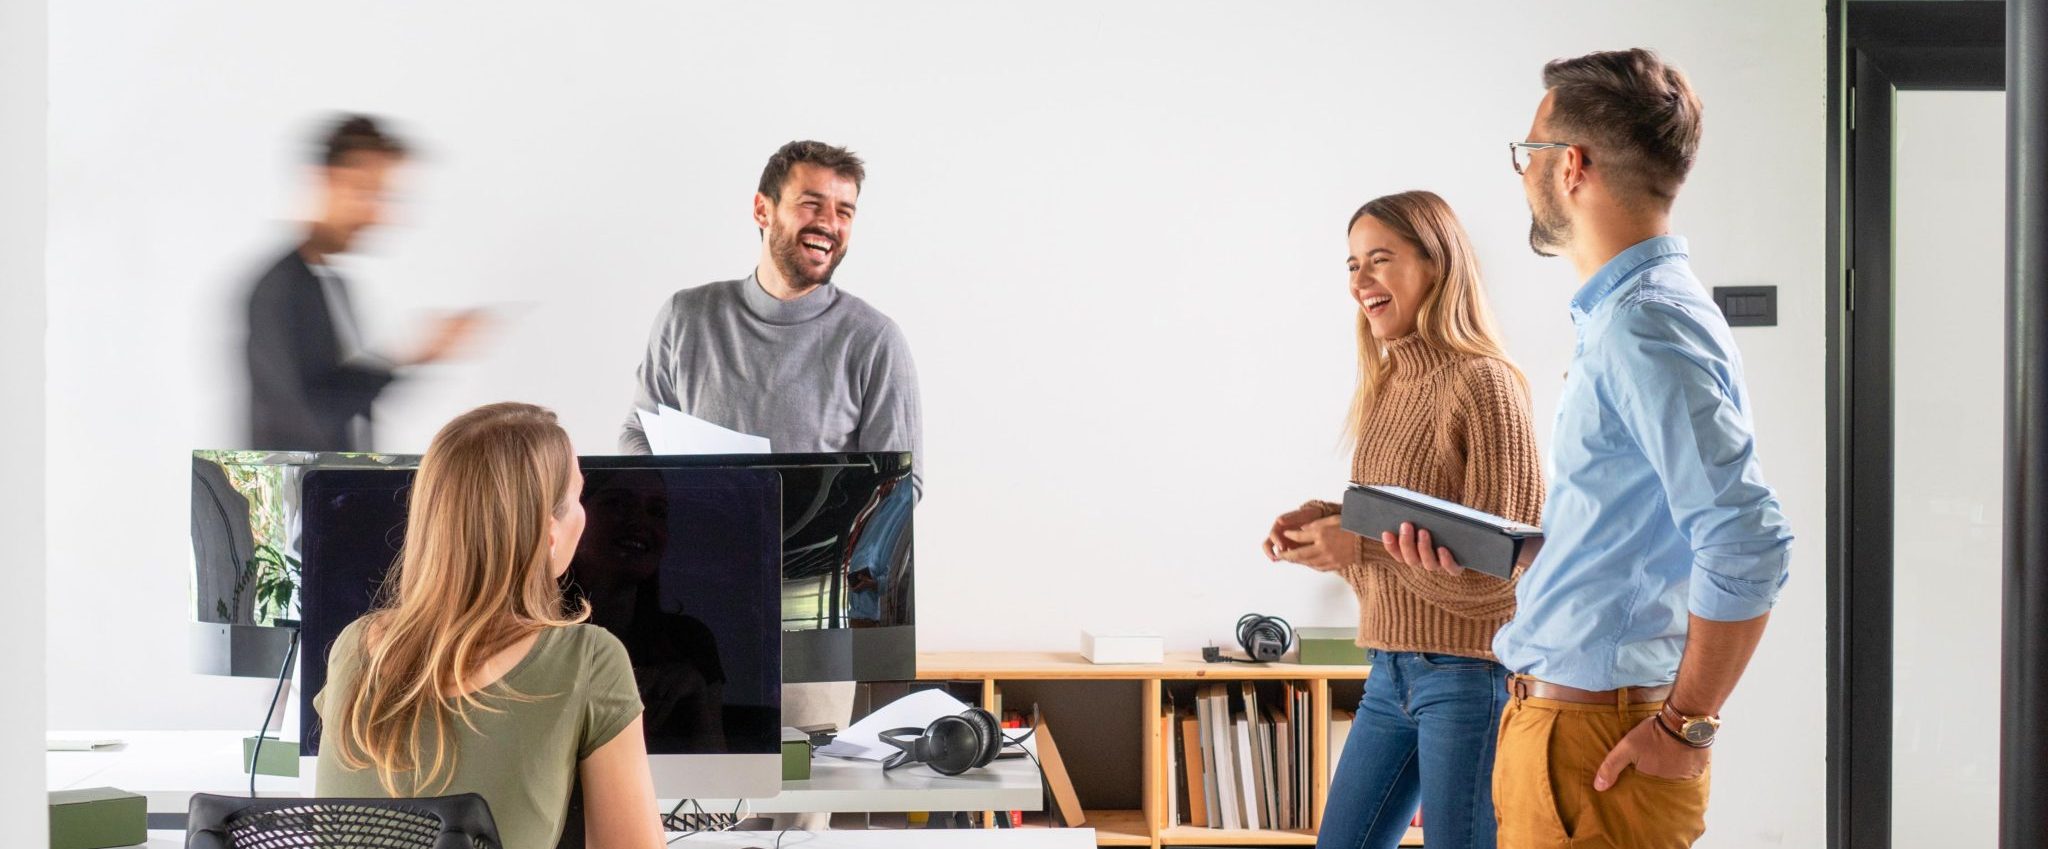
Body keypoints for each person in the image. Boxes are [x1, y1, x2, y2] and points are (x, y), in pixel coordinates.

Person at [1388, 49, 1795, 848]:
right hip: (1559, 729)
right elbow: (1640, 537)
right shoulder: (1633, 317)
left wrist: (1686, 725)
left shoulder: (1645, 324)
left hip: (1595, 746)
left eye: (1528, 153)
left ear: (1570, 165)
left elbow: (1748, 540)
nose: (1522, 173)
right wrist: (1520, 551)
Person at [618, 140, 923, 829]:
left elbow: (899, 495)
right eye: (812, 202)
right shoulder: (686, 318)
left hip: (809, 630)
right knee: (683, 815)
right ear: (763, 209)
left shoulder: (874, 341)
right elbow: (635, 443)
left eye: (845, 209)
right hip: (686, 618)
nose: (829, 222)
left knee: (792, 821)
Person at [1264, 190, 1543, 849]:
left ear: (1436, 263)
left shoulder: (1485, 382)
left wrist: (1358, 544)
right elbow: (1414, 522)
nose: (1360, 280)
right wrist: (1328, 521)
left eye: (1379, 259)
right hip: (1390, 671)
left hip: (1468, 677)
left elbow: (1510, 572)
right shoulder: (1389, 383)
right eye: (1352, 264)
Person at [315, 402, 665, 849]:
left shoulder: (355, 648)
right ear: (549, 532)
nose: (585, 514)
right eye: (578, 497)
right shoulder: (590, 659)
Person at [245, 114, 481, 452]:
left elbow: (333, 394)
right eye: (365, 193)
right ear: (323, 180)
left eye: (384, 197)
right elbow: (309, 408)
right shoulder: (280, 288)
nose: (377, 214)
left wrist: (413, 355)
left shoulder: (328, 283)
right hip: (292, 495)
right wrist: (407, 355)